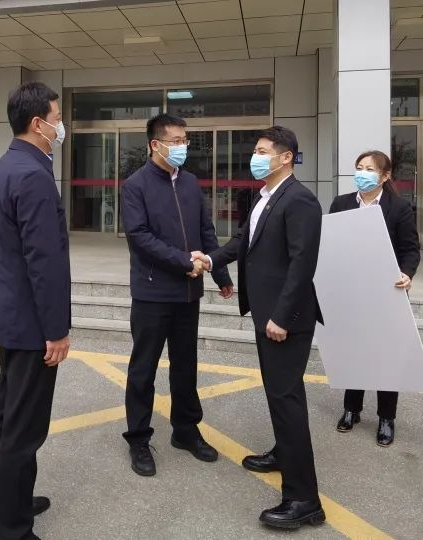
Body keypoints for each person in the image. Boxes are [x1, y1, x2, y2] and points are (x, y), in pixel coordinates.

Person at [192, 126, 325, 529]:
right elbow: (241, 243)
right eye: (256, 150)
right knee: (278, 395)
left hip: (285, 319)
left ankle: (304, 499)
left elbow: (302, 264)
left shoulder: (300, 200)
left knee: (287, 399)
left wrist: (282, 317)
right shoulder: (264, 196)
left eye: (263, 151)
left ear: (286, 157)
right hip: (266, 314)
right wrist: (210, 260)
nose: (256, 156)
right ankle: (285, 453)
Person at [120, 113, 233, 477]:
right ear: (155, 144)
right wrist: (183, 261)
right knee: (143, 369)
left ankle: (185, 430)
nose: (183, 146)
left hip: (188, 293)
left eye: (185, 140)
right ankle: (138, 438)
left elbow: (205, 229)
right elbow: (140, 237)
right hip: (153, 293)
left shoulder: (190, 183)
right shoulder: (135, 186)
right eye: (176, 141)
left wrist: (220, 272)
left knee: (185, 366)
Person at [0, 82, 71, 540]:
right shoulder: (33, 175)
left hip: (11, 317)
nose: (61, 126)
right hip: (33, 326)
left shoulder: (7, 166)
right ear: (38, 124)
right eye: (57, 118)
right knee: (23, 429)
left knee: (6, 419)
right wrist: (56, 330)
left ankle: (1, 507)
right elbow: (44, 261)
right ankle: (14, 529)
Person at [329, 150, 420, 447]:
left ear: (385, 175)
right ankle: (351, 409)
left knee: (385, 357)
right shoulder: (341, 203)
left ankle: (386, 417)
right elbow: (332, 244)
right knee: (354, 352)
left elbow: (410, 249)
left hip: (387, 292)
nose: (362, 173)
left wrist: (407, 273)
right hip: (352, 292)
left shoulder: (398, 208)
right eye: (359, 167)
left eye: (369, 169)